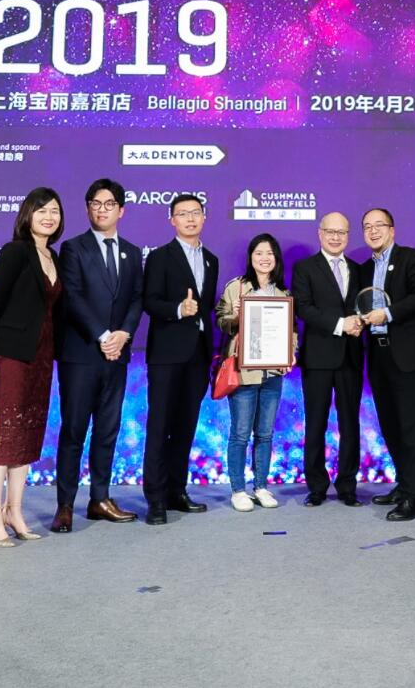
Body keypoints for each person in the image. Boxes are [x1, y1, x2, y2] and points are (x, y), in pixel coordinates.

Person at [51, 179, 143, 533]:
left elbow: (136, 298)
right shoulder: (73, 248)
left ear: (122, 210)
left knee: (108, 429)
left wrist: (123, 334)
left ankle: (100, 499)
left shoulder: (132, 252)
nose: (102, 209)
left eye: (109, 204)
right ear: (88, 208)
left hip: (117, 354)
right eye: (95, 203)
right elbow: (72, 297)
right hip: (82, 354)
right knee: (74, 430)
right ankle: (65, 505)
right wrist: (103, 336)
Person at [0, 187, 64, 547]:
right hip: (12, 355)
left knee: (29, 433)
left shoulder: (53, 255)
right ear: (27, 214)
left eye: (54, 211)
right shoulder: (15, 251)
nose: (49, 216)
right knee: (5, 433)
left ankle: (14, 511)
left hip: (42, 356)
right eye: (41, 210)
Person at [141, 194, 219, 525]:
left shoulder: (211, 260)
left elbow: (206, 308)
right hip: (167, 354)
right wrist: (178, 309)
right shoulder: (160, 257)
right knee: (160, 426)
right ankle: (155, 499)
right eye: (183, 214)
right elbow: (149, 301)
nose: (190, 218)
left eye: (195, 212)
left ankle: (177, 490)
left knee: (186, 426)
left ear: (204, 217)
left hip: (198, 355)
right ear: (172, 220)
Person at [358, 208, 415, 521]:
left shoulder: (411, 258)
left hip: (406, 354)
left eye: (380, 225)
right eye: (368, 226)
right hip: (378, 354)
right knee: (389, 423)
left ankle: (414, 498)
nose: (373, 231)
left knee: (410, 426)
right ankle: (403, 485)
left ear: (392, 229)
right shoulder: (364, 268)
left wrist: (387, 314)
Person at [215, 234, 297, 512]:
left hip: (272, 374)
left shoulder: (284, 293)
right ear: (251, 257)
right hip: (243, 372)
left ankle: (261, 486)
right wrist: (236, 316)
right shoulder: (236, 287)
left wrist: (291, 352)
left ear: (277, 259)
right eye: (259, 253)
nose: (264, 258)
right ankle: (238, 490)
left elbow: (291, 330)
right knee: (240, 433)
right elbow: (221, 321)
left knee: (265, 434)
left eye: (270, 253)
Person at [291, 212, 365, 507]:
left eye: (342, 232)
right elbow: (304, 308)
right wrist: (340, 324)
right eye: (330, 232)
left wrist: (360, 322)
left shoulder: (359, 269)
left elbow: (365, 305)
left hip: (351, 357)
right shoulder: (305, 268)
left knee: (350, 424)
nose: (336, 237)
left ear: (348, 235)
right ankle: (317, 486)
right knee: (315, 424)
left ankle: (347, 485)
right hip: (318, 357)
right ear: (320, 233)